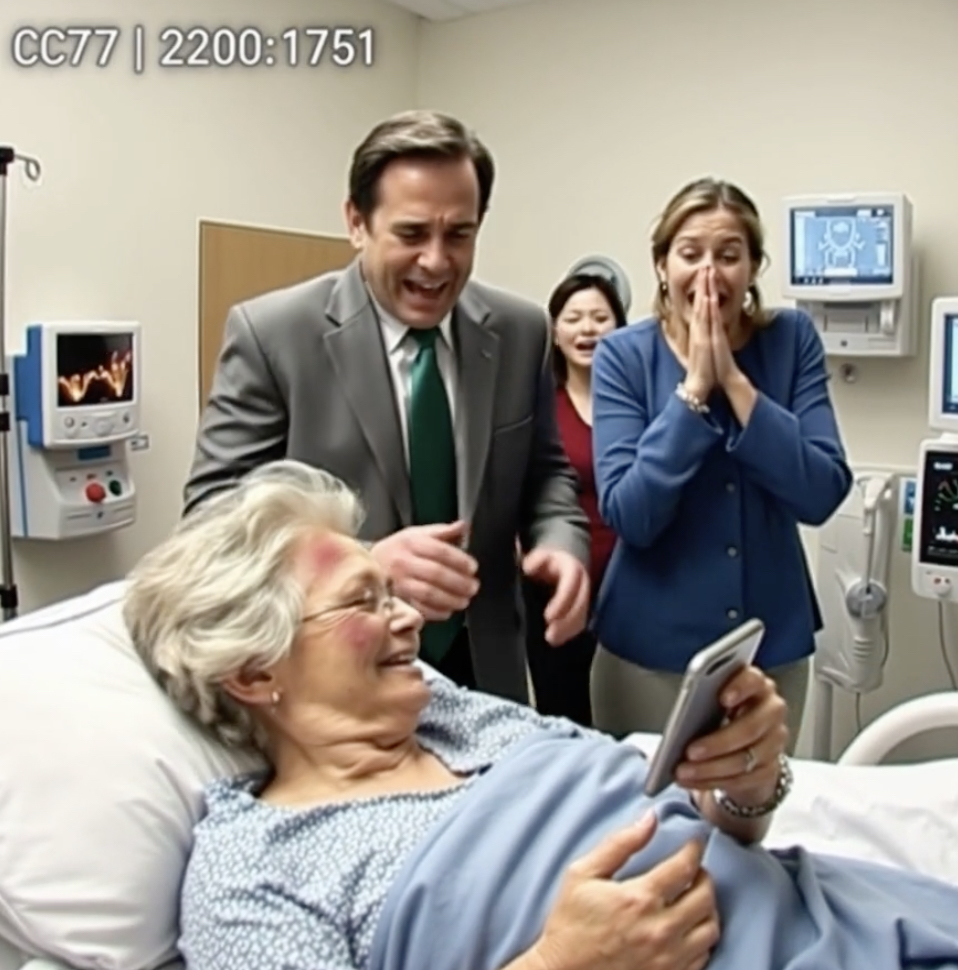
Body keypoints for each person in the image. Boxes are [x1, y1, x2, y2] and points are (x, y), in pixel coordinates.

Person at [123, 461, 958, 970]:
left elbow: (685, 826)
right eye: (364, 602)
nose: (409, 618)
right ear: (254, 672)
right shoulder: (258, 868)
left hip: (845, 921)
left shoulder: (461, 717)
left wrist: (742, 784)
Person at [182, 109, 590, 702]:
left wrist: (561, 541)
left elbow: (545, 473)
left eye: (459, 235)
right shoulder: (273, 336)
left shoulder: (521, 330)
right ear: (357, 222)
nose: (436, 261)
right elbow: (209, 521)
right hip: (334, 670)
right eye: (411, 234)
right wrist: (364, 563)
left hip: (486, 671)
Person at [590, 177, 853, 744]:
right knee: (648, 800)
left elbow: (822, 492)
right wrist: (693, 392)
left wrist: (733, 382)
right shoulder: (622, 356)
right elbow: (631, 515)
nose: (709, 273)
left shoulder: (791, 340)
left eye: (729, 255)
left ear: (753, 267)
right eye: (690, 254)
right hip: (647, 654)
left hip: (771, 649)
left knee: (760, 797)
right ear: (662, 266)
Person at [524, 273, 626, 726]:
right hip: (560, 587)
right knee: (566, 716)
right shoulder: (539, 405)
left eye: (600, 318)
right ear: (554, 331)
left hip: (633, 585)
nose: (587, 329)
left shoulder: (636, 404)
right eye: (574, 318)